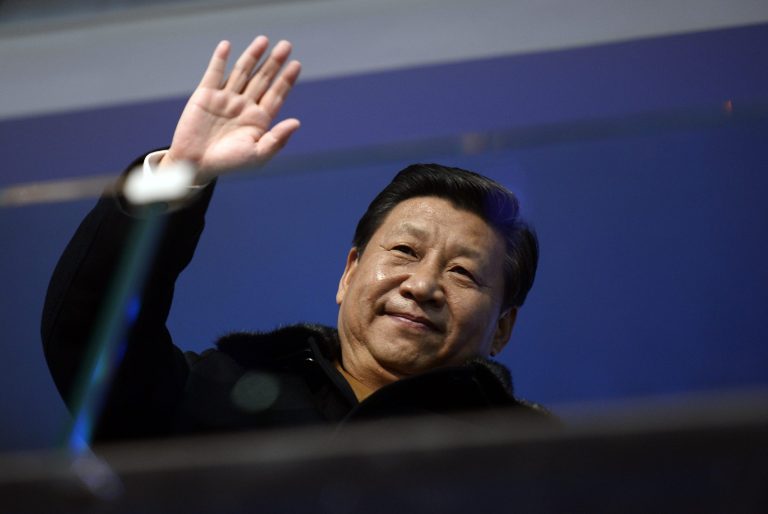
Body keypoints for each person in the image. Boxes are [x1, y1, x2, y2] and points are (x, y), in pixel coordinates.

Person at [42, 37, 548, 441]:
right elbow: (90, 337)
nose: (421, 286)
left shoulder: (532, 451)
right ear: (349, 273)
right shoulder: (224, 390)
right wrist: (179, 173)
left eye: (462, 272)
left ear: (502, 328)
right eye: (405, 251)